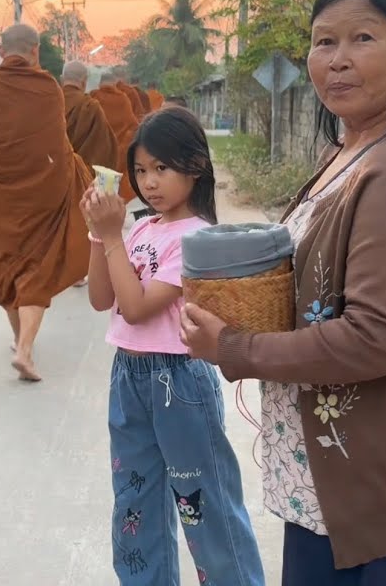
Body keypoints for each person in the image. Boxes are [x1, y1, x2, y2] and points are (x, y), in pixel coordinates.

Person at [180, 0, 386, 585]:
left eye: (362, 38)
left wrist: (235, 347)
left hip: (370, 481)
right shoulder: (350, 148)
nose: (336, 59)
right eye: (323, 41)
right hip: (326, 476)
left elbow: (381, 337)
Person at [82, 107, 265, 586]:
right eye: (140, 171)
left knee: (202, 502)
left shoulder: (197, 237)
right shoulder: (143, 229)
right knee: (134, 498)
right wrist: (99, 236)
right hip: (129, 377)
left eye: (162, 168)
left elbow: (139, 307)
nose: (149, 183)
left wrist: (110, 237)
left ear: (196, 166)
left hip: (177, 380)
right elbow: (104, 299)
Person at [0, 23, 93, 382]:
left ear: (1, 52)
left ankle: (20, 341)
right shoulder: (49, 88)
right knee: (39, 265)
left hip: (1, 195)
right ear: (35, 52)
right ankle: (24, 348)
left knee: (6, 263)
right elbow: (57, 143)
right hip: (46, 194)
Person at [91, 71, 141, 203]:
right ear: (114, 83)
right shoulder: (123, 98)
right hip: (120, 152)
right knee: (116, 190)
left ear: (100, 83)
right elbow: (134, 125)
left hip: (99, 153)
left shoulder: (93, 98)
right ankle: (117, 208)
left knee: (99, 194)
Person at [62, 60, 118, 170]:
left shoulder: (50, 102)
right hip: (83, 177)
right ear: (84, 82)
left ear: (62, 79)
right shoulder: (91, 107)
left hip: (52, 173)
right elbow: (106, 150)